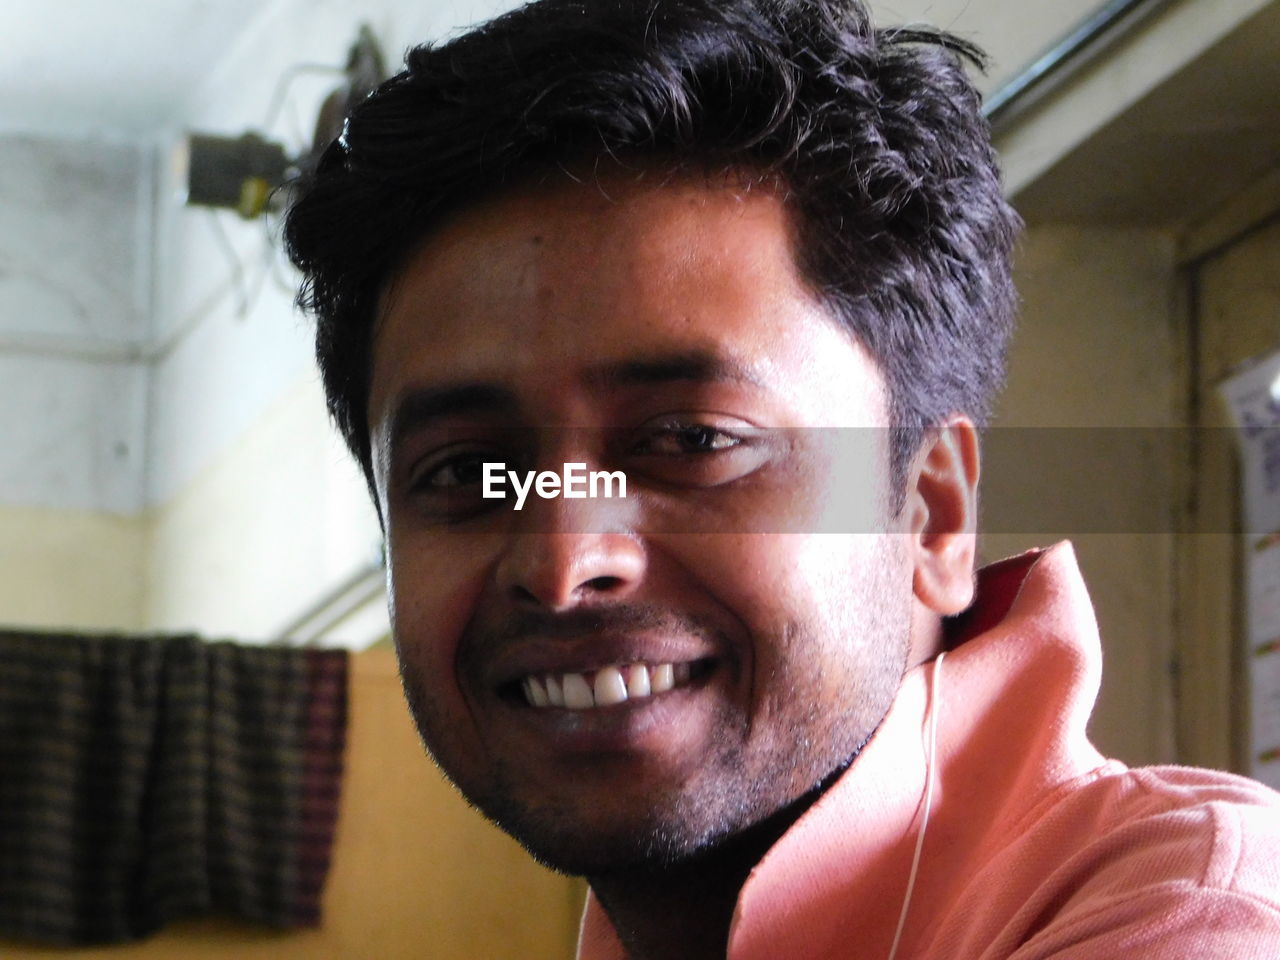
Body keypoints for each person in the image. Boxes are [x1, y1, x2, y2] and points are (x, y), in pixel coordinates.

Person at [283, 0, 1280, 956]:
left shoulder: (1190, 922)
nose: (561, 560)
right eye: (468, 469)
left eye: (692, 442)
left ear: (929, 515)